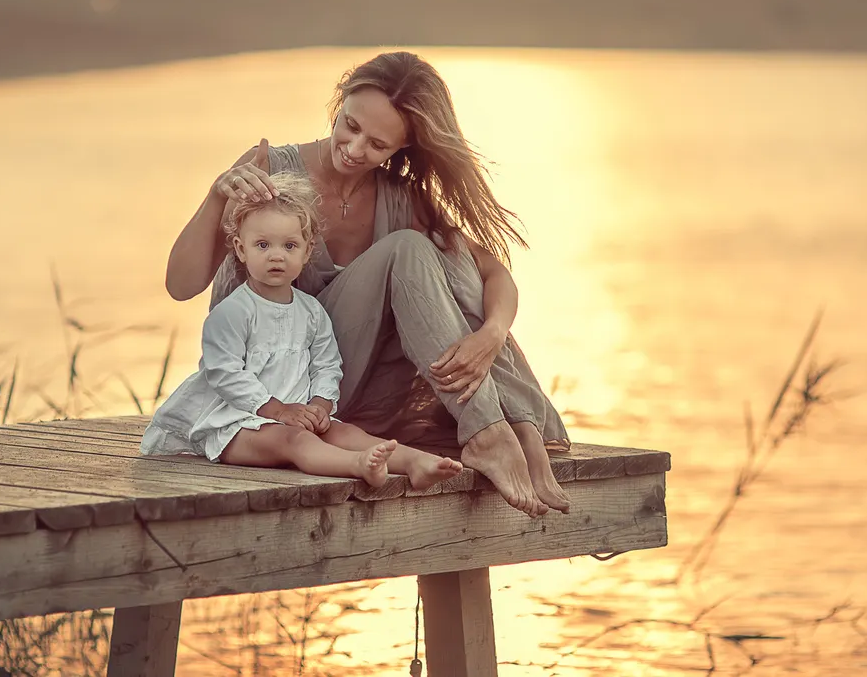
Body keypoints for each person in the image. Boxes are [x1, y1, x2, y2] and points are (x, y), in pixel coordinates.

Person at [165, 51, 571, 517]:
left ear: (401, 150)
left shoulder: (399, 197)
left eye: (377, 144)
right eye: (350, 126)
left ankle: (512, 430)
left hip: (343, 396)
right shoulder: (270, 169)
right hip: (273, 401)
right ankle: (496, 430)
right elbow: (181, 285)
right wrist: (219, 195)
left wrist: (492, 334)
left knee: (451, 263)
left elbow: (491, 272)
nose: (355, 150)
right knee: (411, 248)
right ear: (338, 104)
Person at [142, 172, 465, 491]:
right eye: (263, 245)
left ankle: (415, 462)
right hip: (235, 426)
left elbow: (326, 364)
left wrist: (320, 406)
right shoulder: (233, 313)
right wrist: (278, 411)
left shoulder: (311, 312)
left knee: (345, 433)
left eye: (290, 245)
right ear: (241, 250)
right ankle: (358, 466)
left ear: (307, 251)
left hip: (295, 415)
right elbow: (224, 374)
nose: (277, 255)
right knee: (295, 440)